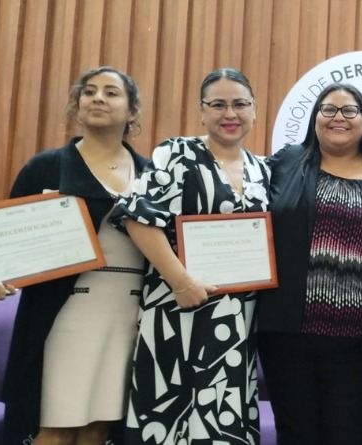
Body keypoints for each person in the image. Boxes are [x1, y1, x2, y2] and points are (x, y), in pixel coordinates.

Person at [0, 67, 147, 445]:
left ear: (132, 110)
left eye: (111, 93)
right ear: (77, 104)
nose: (98, 98)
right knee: (56, 427)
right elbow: (2, 243)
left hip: (130, 317)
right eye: (89, 92)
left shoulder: (153, 173)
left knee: (99, 428)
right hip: (65, 314)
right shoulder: (46, 166)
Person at [111, 68, 271, 444]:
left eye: (240, 104)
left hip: (236, 322)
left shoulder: (262, 168)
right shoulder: (177, 153)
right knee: (169, 419)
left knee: (223, 421)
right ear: (202, 112)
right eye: (218, 104)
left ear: (254, 110)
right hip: (177, 310)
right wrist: (181, 282)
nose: (230, 113)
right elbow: (136, 217)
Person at [257, 83, 362, 445]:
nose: (338, 117)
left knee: (350, 435)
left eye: (349, 110)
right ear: (315, 118)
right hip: (287, 336)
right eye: (329, 109)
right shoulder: (286, 162)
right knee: (296, 435)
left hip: (358, 344)